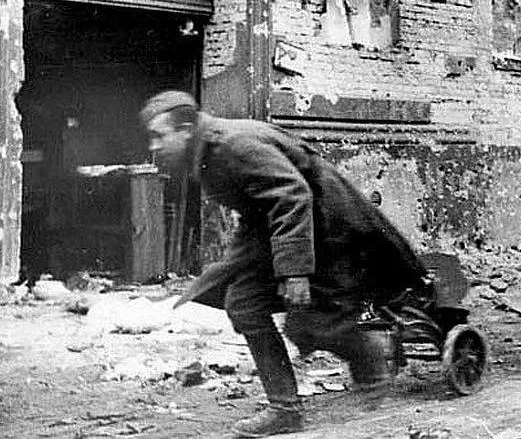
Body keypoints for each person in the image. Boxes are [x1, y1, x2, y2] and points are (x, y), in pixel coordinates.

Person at [139, 91, 428, 438]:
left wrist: (294, 272)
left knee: (308, 324)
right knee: (244, 304)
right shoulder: (207, 153)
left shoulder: (232, 146)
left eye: (159, 136)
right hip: (293, 232)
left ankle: (371, 358)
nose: (154, 147)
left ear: (186, 128)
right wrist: (236, 263)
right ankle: (285, 410)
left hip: (332, 230)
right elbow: (257, 210)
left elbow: (293, 197)